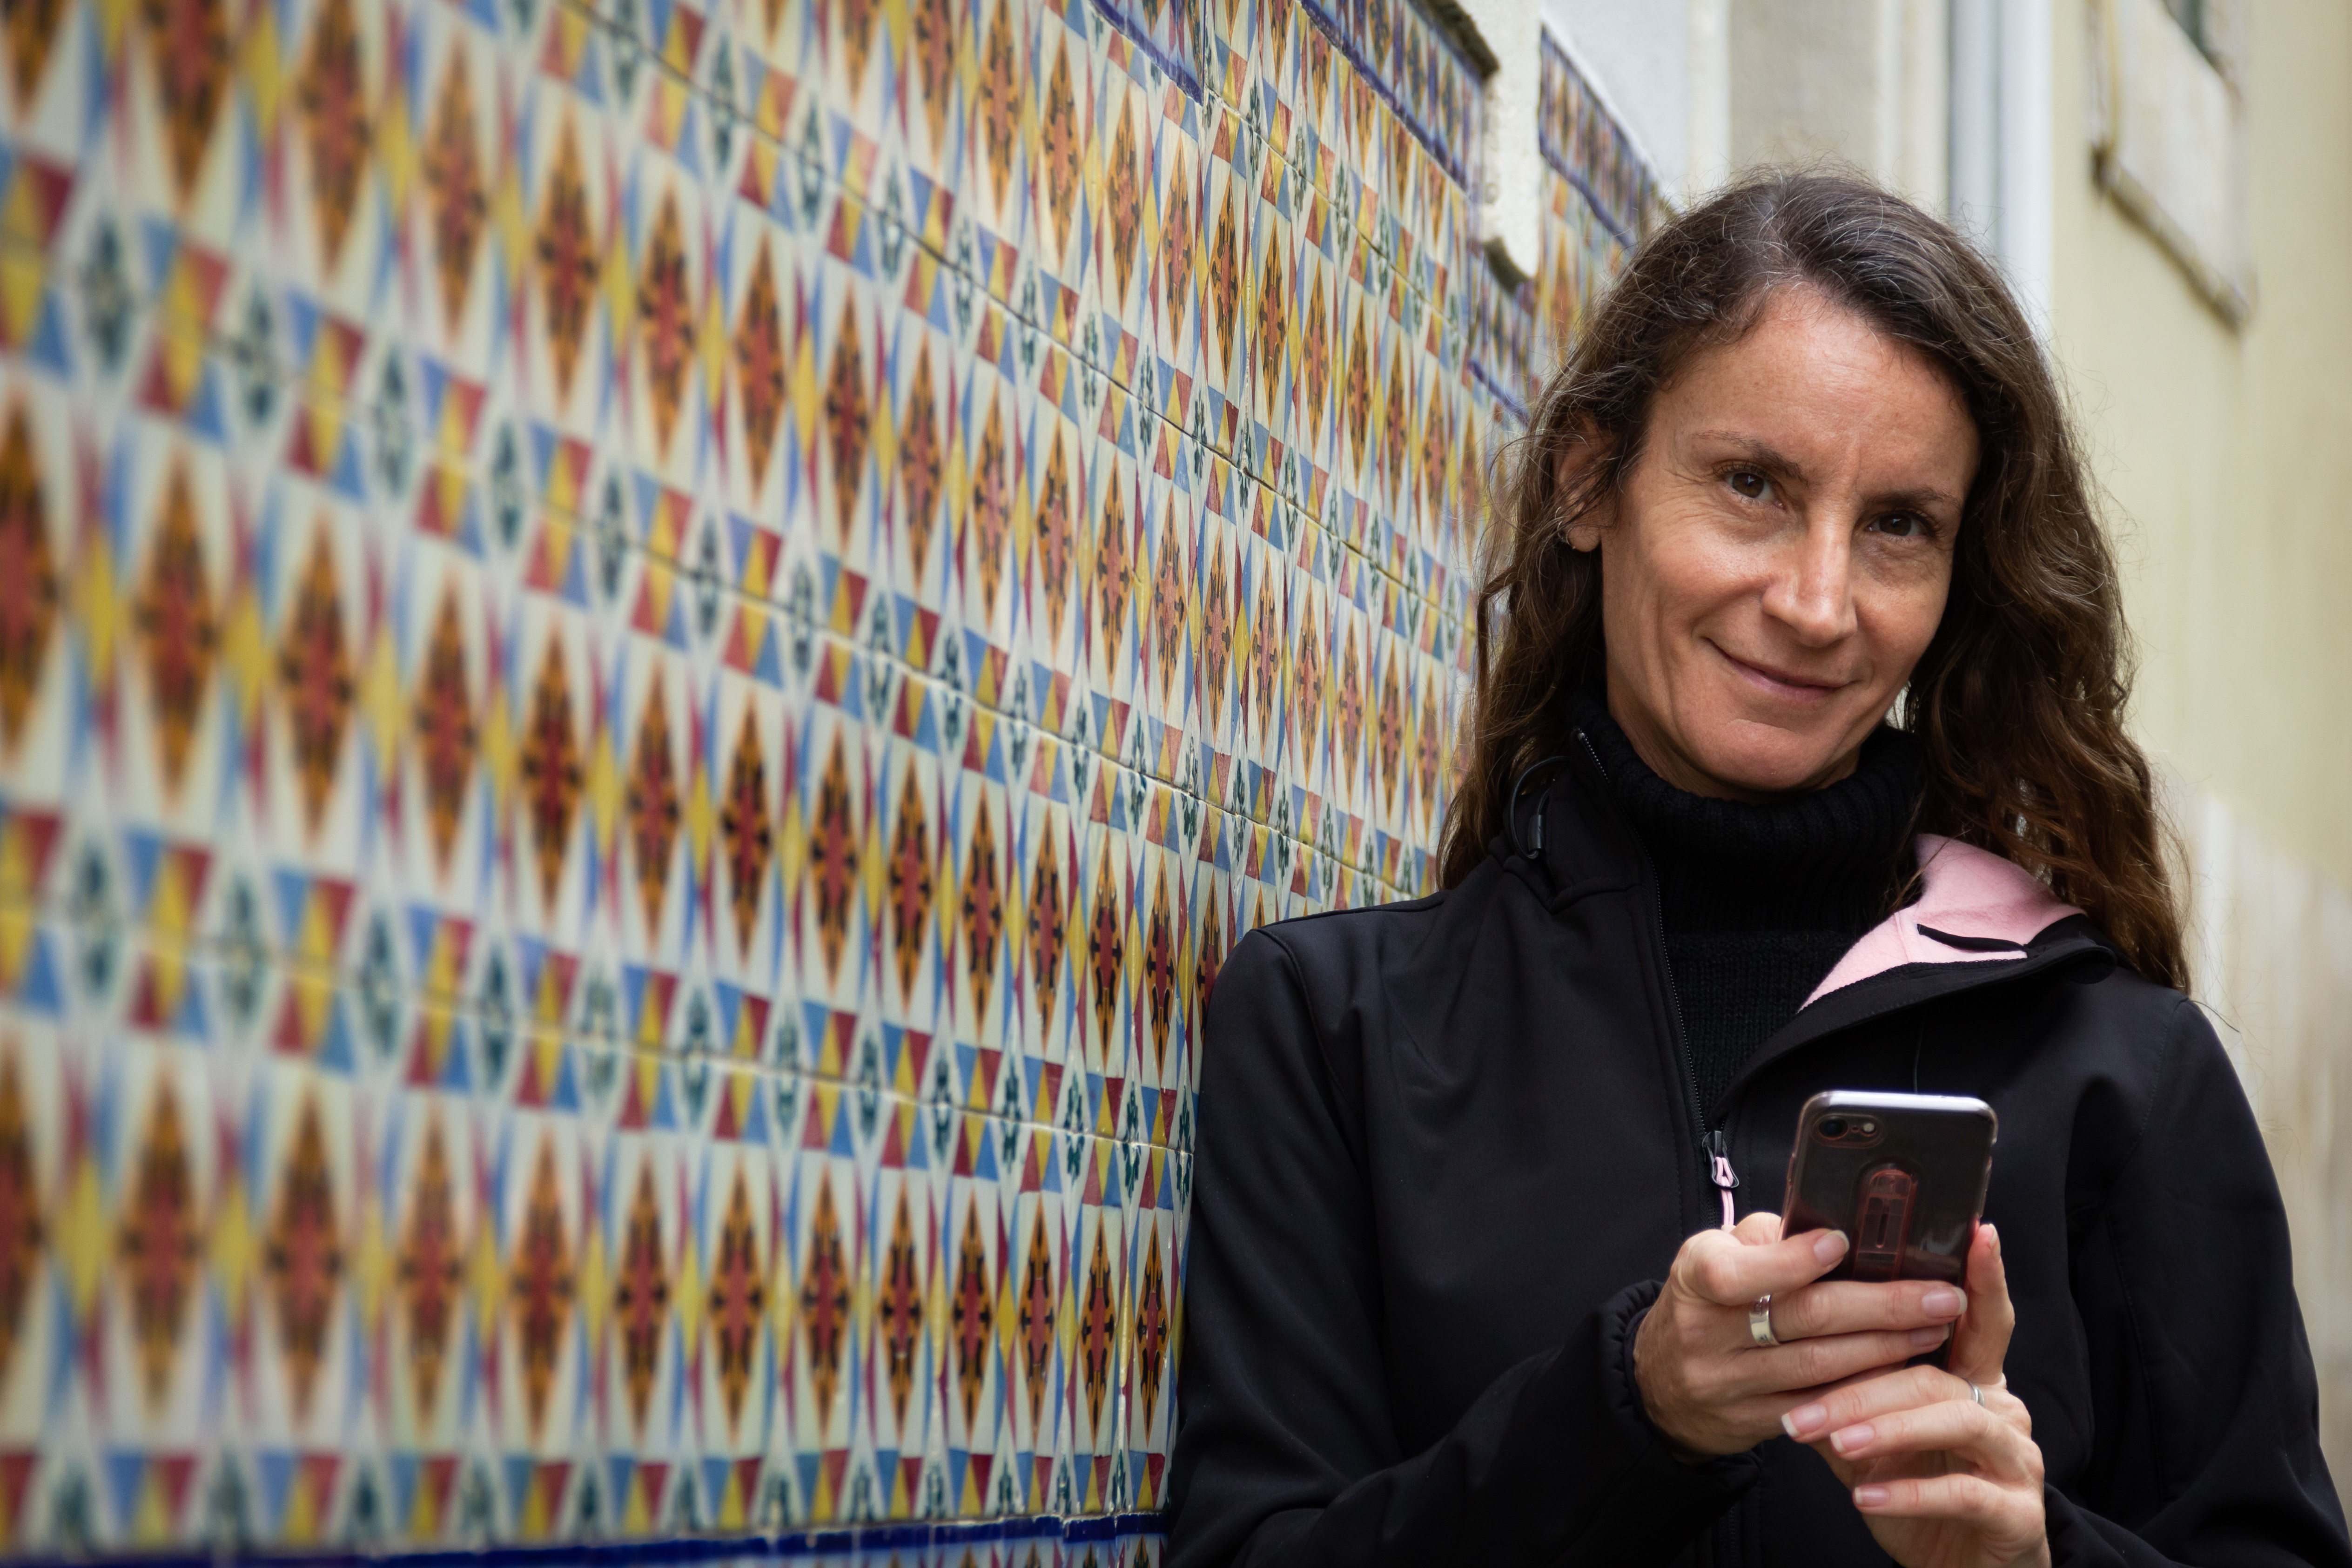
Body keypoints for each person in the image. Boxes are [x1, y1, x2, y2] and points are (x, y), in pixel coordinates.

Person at [1163, 173, 2352, 1567]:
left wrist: (2036, 1560)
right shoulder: (1335, 1028)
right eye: (1753, 486)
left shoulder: (2125, 1067)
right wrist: (1633, 1411)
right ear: (1591, 479)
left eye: (1900, 523)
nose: (1816, 601)